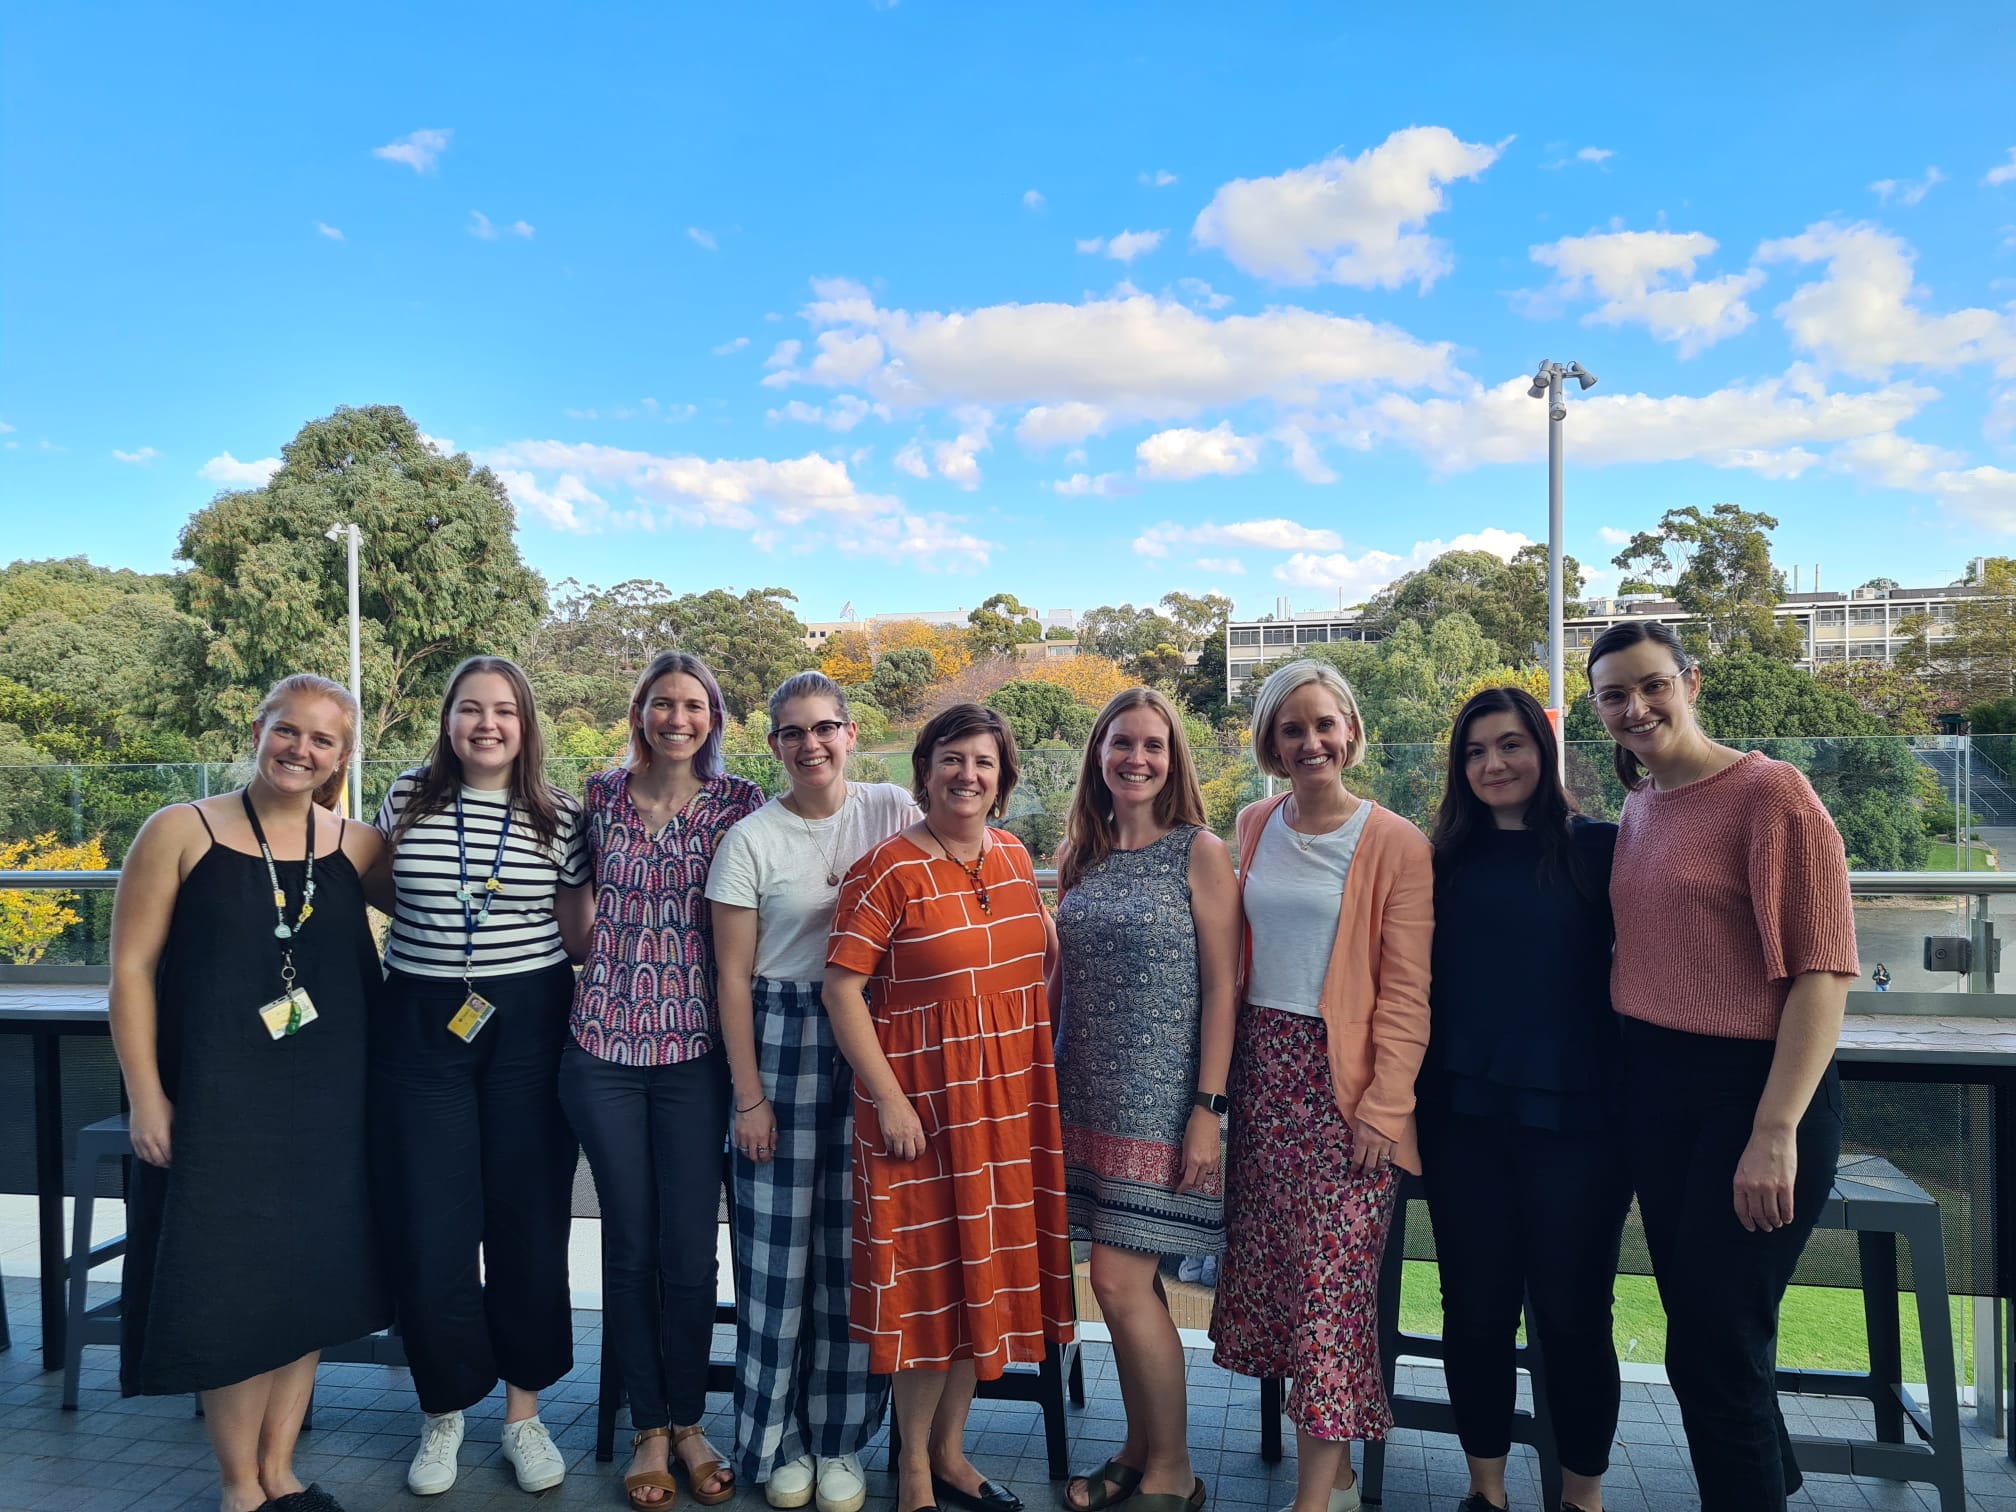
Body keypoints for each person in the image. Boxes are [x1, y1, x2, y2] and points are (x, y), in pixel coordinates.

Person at [1589, 620, 1858, 1511]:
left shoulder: (1772, 795)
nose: (1636, 707)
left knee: (1711, 1349)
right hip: (1656, 1092)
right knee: (1717, 1338)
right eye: (1615, 695)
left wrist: (1775, 1130)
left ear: (1691, 683)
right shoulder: (1641, 804)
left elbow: (1823, 971)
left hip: (1751, 1096)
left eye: (1652, 685)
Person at [110, 673, 388, 1512]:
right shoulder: (180, 830)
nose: (301, 749)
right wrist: (146, 1097)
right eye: (287, 730)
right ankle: (239, 1487)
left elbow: (448, 919)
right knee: (231, 1285)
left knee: (305, 1282)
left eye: (322, 739)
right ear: (259, 730)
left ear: (342, 757)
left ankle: (281, 1474)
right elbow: (130, 972)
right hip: (218, 1100)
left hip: (330, 1104)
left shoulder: (359, 845)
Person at [824, 703, 1075, 1512]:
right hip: (921, 1115)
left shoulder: (1014, 855)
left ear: (1003, 779)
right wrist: (889, 1101)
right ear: (925, 770)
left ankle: (950, 1454)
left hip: (1007, 1110)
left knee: (982, 1283)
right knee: (927, 1295)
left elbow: (1041, 960)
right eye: (952, 758)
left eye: (984, 762)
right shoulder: (886, 869)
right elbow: (842, 991)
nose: (968, 774)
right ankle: (912, 1471)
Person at [1208, 658, 1433, 1512]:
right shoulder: (1254, 822)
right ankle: (1331, 1472)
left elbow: (1407, 992)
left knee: (1330, 1291)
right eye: (1292, 728)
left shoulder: (1397, 841)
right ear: (1271, 741)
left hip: (1347, 1092)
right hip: (1264, 1078)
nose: (1311, 742)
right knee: (1283, 1280)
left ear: (1351, 732)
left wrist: (1385, 1109)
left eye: (1324, 725)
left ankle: (1312, 1500)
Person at [365, 655, 592, 1499]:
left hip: (530, 1024)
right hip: (421, 1023)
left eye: (503, 710)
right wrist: (449, 938)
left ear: (526, 724)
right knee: (431, 1226)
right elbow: (380, 888)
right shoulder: (405, 796)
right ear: (448, 720)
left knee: (528, 1221)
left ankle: (523, 1417)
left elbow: (578, 934)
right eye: (470, 709)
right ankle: (444, 1410)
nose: (486, 724)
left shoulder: (560, 815)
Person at [707, 672, 919, 1512]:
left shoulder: (891, 809)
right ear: (773, 745)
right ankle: (776, 1437)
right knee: (773, 1260)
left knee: (856, 1252)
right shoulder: (751, 839)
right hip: (781, 1040)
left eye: (824, 727)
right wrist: (748, 1098)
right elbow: (731, 979)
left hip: (872, 1038)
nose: (811, 745)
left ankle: (841, 1439)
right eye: (792, 733)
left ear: (850, 732)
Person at [1420, 687, 1631, 1512]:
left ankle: (1582, 1498)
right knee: (1474, 1312)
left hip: (1579, 1120)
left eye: (1510, 745)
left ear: (1543, 753)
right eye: (1475, 751)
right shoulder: (1436, 861)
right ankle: (1488, 1492)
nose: (1493, 764)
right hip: (1461, 1118)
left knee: (1574, 1314)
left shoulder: (1601, 849)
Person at [565, 650, 764, 1511]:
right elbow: (575, 916)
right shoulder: (598, 796)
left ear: (713, 718)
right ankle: (648, 1425)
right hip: (602, 1048)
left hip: (695, 1055)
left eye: (693, 705)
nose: (677, 719)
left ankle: (689, 1421)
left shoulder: (740, 803)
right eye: (662, 703)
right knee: (630, 1244)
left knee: (689, 1248)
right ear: (639, 712)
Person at [1053, 688, 1240, 1512]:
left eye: (1153, 746)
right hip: (1083, 1098)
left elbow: (1225, 986)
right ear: (1099, 755)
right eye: (1121, 743)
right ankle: (1140, 1448)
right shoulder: (1081, 855)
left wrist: (1209, 1107)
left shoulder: (1199, 851)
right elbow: (1061, 978)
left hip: (1164, 1106)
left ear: (1173, 760)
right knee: (1126, 1288)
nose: (1137, 758)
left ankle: (1174, 1471)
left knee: (1119, 1281)